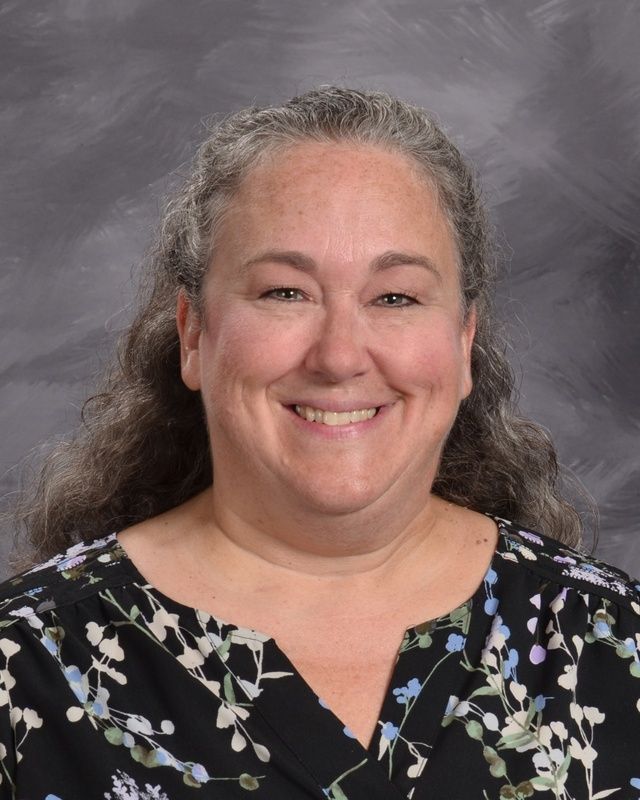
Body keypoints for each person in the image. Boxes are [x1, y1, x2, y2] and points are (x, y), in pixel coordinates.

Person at [1, 86, 638, 800]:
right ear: (192, 334)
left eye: (394, 297)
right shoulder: (25, 664)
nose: (339, 357)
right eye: (284, 293)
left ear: (463, 345)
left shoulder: (612, 646)